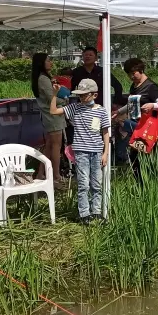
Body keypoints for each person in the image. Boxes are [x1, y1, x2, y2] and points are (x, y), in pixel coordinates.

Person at [56, 78, 110, 224]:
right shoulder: (75, 108)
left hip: (97, 151)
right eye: (79, 95)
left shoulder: (102, 111)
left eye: (84, 94)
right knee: (83, 184)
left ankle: (97, 211)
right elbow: (54, 111)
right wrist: (54, 95)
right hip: (81, 151)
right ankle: (84, 213)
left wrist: (105, 153)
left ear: (94, 95)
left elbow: (105, 132)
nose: (81, 97)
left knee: (96, 183)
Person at [118, 58, 158, 183]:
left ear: (141, 70)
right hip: (136, 126)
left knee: (146, 157)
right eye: (129, 74)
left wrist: (152, 105)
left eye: (134, 73)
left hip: (148, 128)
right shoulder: (133, 86)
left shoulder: (151, 86)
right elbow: (132, 103)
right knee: (135, 158)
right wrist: (118, 112)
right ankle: (140, 185)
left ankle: (152, 183)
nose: (131, 76)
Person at [32, 52, 66, 182]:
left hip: (50, 116)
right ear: (42, 63)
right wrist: (65, 100)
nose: (50, 62)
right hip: (53, 117)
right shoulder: (43, 79)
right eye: (48, 60)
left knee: (50, 146)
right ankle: (56, 175)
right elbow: (52, 98)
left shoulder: (43, 78)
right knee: (56, 147)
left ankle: (41, 173)